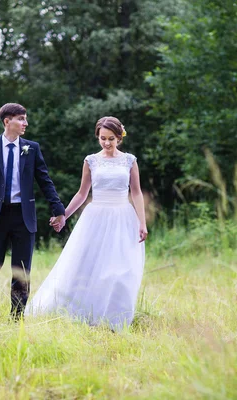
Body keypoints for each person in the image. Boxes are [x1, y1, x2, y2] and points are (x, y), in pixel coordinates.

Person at [26, 116, 148, 331]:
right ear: (98, 137)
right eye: (103, 138)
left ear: (120, 137)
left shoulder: (129, 160)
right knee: (87, 264)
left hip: (122, 217)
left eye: (111, 138)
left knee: (121, 269)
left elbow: (136, 193)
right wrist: (64, 215)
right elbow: (82, 193)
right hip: (96, 217)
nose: (107, 143)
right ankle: (85, 312)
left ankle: (115, 318)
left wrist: (142, 222)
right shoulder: (91, 160)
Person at [0, 103, 66, 319]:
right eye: (21, 119)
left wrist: (59, 210)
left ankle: (17, 317)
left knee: (21, 271)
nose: (25, 123)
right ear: (7, 121)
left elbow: (45, 181)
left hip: (23, 217)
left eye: (25, 119)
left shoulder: (32, 148)